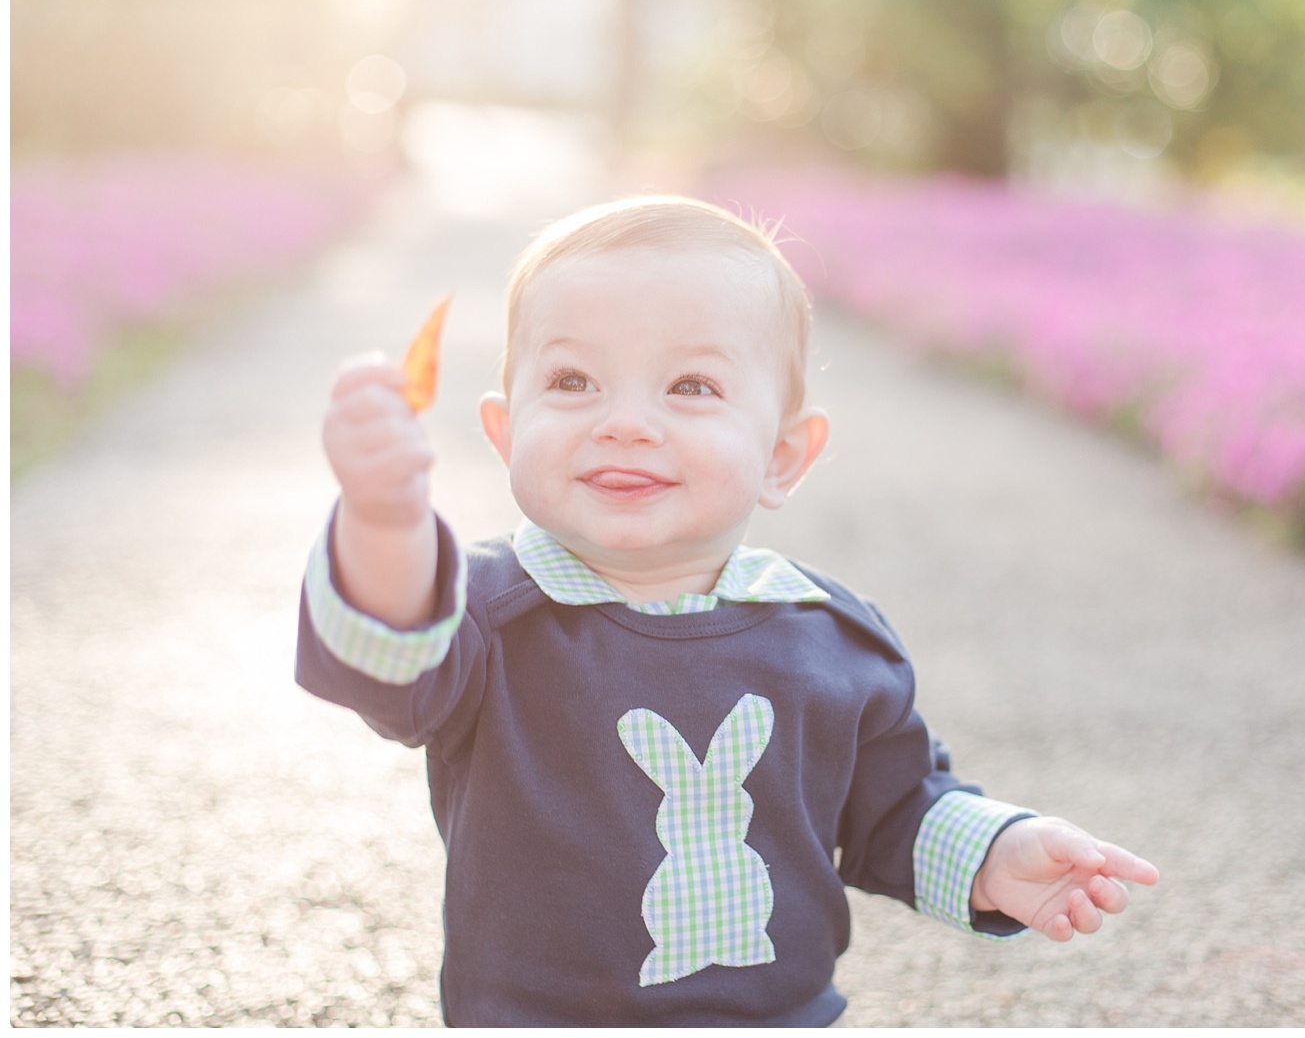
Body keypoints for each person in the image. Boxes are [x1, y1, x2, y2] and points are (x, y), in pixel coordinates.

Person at [296, 196, 1159, 1027]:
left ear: (782, 456)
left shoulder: (826, 635)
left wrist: (997, 853)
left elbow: (896, 805)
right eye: (572, 379)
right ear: (505, 431)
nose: (626, 422)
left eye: (692, 386)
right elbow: (389, 649)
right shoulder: (485, 614)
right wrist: (383, 520)